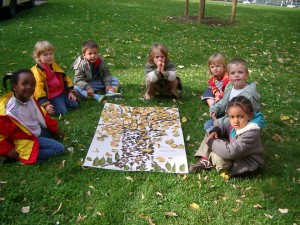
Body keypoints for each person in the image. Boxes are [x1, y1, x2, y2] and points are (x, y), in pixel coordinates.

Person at [190, 96, 266, 176]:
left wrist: (212, 142)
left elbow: (231, 153)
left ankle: (209, 158)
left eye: (240, 116)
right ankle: (206, 159)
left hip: (242, 163)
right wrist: (216, 131)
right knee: (210, 133)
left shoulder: (251, 133)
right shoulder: (234, 123)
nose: (235, 121)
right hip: (233, 150)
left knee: (220, 159)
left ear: (250, 116)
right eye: (232, 117)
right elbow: (224, 127)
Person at [0, 69, 65, 164]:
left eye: (33, 84)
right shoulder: (10, 112)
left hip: (33, 132)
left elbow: (42, 115)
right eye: (25, 84)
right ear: (14, 87)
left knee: (51, 133)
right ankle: (23, 156)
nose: (29, 87)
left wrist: (54, 129)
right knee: (59, 148)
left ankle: (33, 150)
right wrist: (8, 150)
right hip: (25, 140)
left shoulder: (30, 99)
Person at [203, 58, 260, 132]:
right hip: (228, 114)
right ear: (228, 76)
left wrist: (220, 122)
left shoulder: (248, 96)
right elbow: (224, 100)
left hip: (240, 123)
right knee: (207, 125)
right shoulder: (229, 86)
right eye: (233, 73)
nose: (236, 75)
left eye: (240, 72)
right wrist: (215, 108)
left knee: (210, 127)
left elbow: (245, 117)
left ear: (247, 74)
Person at [31, 40, 79, 115]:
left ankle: (62, 102)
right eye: (45, 55)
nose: (49, 56)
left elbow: (65, 78)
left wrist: (70, 91)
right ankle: (48, 108)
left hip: (61, 92)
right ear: (38, 57)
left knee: (75, 105)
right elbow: (38, 89)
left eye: (51, 54)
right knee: (63, 112)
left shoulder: (53, 65)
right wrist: (45, 104)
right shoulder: (38, 71)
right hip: (51, 96)